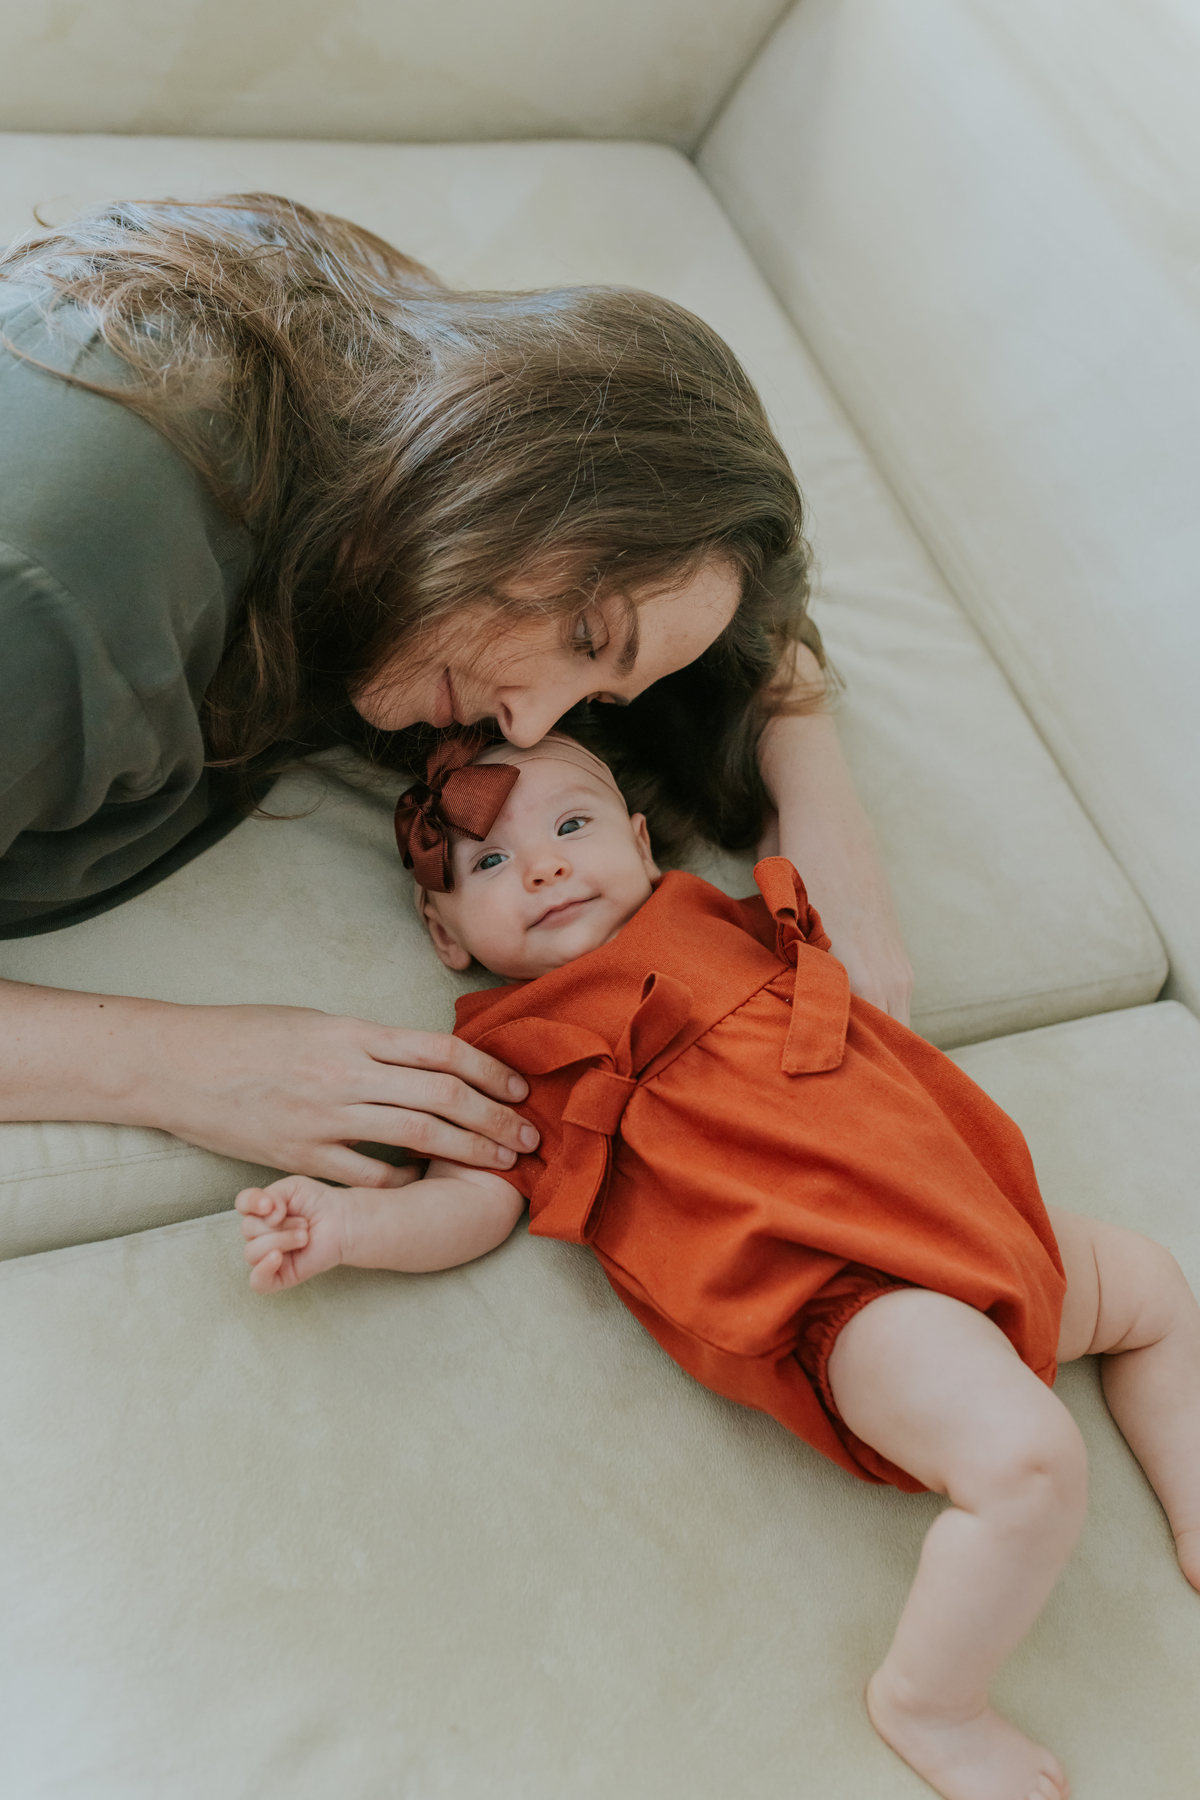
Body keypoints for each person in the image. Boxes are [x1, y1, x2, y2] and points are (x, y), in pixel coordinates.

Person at [237, 732, 1200, 1800]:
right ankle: (933, 1702)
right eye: (489, 865)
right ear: (442, 928)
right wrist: (346, 1228)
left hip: (976, 1220)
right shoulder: (514, 1051)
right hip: (850, 1294)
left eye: (570, 826)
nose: (545, 866)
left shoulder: (711, 913)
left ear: (645, 844)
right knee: (1027, 1463)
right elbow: (472, 1202)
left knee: (1153, 1287)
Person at [0, 192, 910, 1186]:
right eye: (586, 634)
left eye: (596, 695)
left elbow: (752, 610)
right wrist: (179, 1068)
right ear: (510, 466)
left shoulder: (395, 399)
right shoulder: (61, 599)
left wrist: (827, 829)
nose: (520, 726)